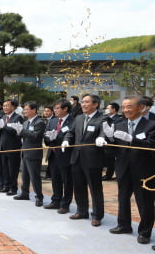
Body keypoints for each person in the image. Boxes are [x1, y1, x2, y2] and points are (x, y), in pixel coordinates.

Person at [104, 96, 155, 245]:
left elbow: (151, 146)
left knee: (145, 203)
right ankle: (124, 225)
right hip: (123, 168)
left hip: (144, 171)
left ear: (140, 108)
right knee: (123, 198)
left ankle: (145, 232)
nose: (126, 110)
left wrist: (132, 139)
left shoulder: (151, 125)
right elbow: (114, 150)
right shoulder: (119, 125)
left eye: (130, 106)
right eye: (124, 107)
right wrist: (107, 140)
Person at [62, 94, 106, 227]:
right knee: (79, 186)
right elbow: (72, 132)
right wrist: (66, 140)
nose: (83, 104)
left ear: (95, 104)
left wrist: (102, 137)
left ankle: (97, 216)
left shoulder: (103, 118)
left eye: (87, 102)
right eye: (83, 102)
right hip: (77, 158)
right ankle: (82, 211)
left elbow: (105, 132)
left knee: (95, 189)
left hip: (93, 159)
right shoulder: (79, 117)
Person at [43, 99, 75, 214]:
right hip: (53, 154)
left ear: (65, 109)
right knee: (55, 179)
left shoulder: (73, 121)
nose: (54, 111)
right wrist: (48, 138)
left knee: (67, 181)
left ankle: (65, 204)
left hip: (65, 155)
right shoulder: (52, 121)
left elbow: (71, 137)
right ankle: (55, 200)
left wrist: (57, 138)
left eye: (57, 108)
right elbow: (46, 134)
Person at [13, 101, 46, 207]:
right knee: (24, 175)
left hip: (34, 153)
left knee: (34, 176)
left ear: (34, 110)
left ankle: (39, 196)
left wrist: (22, 131)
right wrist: (18, 132)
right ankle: (24, 193)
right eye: (24, 109)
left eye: (27, 109)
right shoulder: (26, 122)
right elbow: (24, 135)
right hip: (25, 151)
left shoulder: (39, 122)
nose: (25, 111)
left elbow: (35, 136)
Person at [0, 99, 23, 195]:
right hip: (3, 147)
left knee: (13, 169)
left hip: (13, 147)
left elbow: (15, 131)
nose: (5, 107)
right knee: (5, 168)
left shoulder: (18, 117)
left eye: (7, 105)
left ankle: (13, 188)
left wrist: (4, 126)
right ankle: (6, 186)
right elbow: (1, 131)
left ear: (13, 107)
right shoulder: (3, 117)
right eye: (4, 106)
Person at [102, 102, 122, 181]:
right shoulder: (106, 117)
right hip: (106, 142)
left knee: (112, 160)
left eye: (108, 108)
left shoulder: (118, 119)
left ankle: (112, 175)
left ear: (114, 109)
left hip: (114, 143)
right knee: (109, 160)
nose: (106, 110)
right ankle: (108, 175)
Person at [43, 105, 55, 179]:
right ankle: (49, 174)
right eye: (45, 111)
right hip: (49, 143)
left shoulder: (54, 120)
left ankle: (50, 174)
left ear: (52, 112)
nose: (46, 112)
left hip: (54, 144)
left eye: (48, 111)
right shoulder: (46, 120)